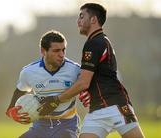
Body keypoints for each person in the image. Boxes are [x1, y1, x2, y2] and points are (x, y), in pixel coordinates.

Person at [38, 3, 145, 138]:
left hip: (115, 106)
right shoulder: (100, 41)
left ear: (93, 19)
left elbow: (84, 82)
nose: (78, 21)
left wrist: (55, 100)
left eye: (82, 17)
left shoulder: (95, 43)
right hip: (97, 110)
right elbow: (94, 78)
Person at [6, 30, 81, 138]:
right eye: (56, 51)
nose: (61, 55)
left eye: (63, 50)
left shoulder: (75, 69)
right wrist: (10, 111)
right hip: (40, 126)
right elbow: (20, 90)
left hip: (66, 125)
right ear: (43, 51)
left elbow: (86, 84)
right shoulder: (28, 72)